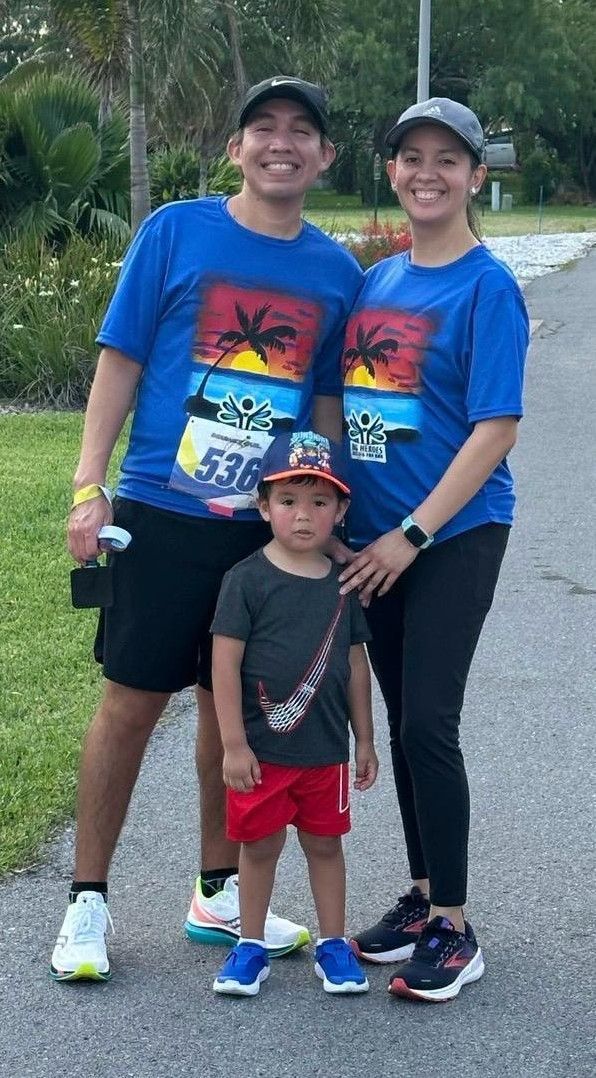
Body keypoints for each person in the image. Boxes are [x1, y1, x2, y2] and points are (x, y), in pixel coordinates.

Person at [50, 76, 364, 982]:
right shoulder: (177, 232)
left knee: (235, 714)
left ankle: (216, 890)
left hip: (268, 533)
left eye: (300, 131)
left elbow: (330, 406)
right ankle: (87, 901)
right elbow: (123, 358)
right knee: (132, 702)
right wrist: (86, 486)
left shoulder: (337, 272)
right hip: (162, 509)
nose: (281, 143)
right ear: (237, 149)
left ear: (323, 157)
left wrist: (330, 515)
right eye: (262, 128)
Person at [339, 98, 529, 1002]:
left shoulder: (488, 286)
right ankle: (420, 897)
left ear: (476, 176)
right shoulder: (378, 283)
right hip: (375, 546)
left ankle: (454, 928)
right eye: (410, 155)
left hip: (451, 535)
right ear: (390, 172)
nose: (427, 172)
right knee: (407, 717)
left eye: (448, 159)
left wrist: (413, 534)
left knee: (426, 725)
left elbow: (495, 428)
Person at [210, 431, 378, 996]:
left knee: (327, 846)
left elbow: (356, 665)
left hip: (324, 753)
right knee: (258, 848)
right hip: (262, 755)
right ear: (263, 507)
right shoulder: (246, 580)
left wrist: (366, 740)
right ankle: (249, 946)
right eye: (288, 501)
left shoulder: (343, 584)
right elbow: (224, 667)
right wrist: (233, 745)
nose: (303, 516)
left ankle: (334, 944)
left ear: (340, 510)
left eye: (319, 502)